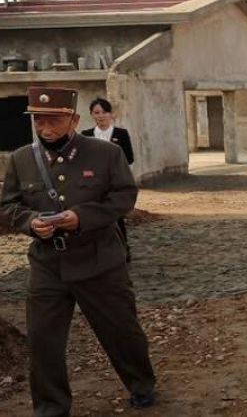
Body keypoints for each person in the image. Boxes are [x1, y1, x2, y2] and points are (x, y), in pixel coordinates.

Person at [0, 87, 156, 416]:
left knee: (121, 331)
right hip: (48, 264)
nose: (45, 128)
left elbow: (123, 196)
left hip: (99, 260)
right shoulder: (21, 159)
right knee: (43, 340)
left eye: (53, 120)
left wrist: (82, 217)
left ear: (73, 120)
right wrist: (30, 223)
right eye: (38, 120)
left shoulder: (105, 154)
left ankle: (141, 384)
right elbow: (9, 206)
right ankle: (51, 407)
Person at [81, 98, 134, 261]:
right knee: (93, 216)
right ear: (91, 114)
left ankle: (123, 248)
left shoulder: (121, 134)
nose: (101, 116)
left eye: (104, 112)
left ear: (111, 114)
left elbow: (129, 158)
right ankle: (95, 251)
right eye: (97, 112)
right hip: (93, 183)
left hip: (114, 182)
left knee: (116, 216)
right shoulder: (86, 135)